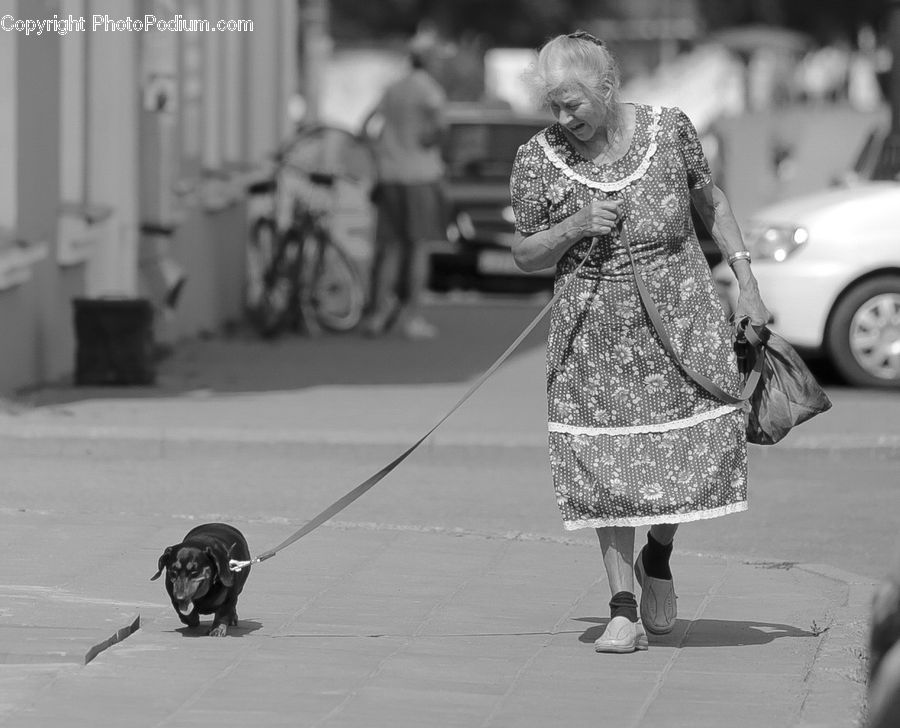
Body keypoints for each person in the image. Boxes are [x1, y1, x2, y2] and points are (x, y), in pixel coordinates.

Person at [509, 31, 771, 653]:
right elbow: (523, 252)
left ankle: (659, 554)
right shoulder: (537, 158)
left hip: (680, 313)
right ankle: (621, 608)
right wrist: (571, 227)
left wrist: (747, 280)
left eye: (573, 102)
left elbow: (710, 201)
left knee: (684, 452)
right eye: (553, 106)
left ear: (608, 87)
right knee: (605, 465)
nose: (563, 118)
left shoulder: (670, 128)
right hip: (593, 328)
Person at [359, 33, 448, 340]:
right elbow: (440, 127)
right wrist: (427, 142)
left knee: (390, 249)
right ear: (430, 59)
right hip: (420, 176)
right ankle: (412, 318)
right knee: (419, 248)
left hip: (390, 175)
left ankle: (376, 314)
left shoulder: (393, 88)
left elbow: (365, 125)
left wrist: (381, 153)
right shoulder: (429, 89)